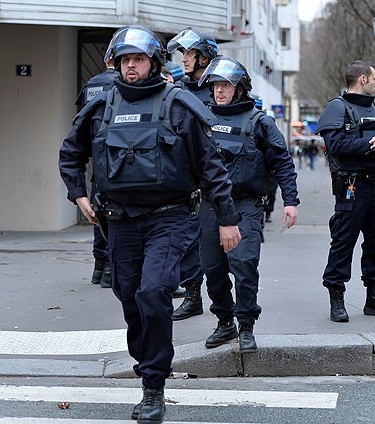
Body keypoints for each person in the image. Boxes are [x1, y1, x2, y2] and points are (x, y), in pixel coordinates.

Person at [58, 25, 241, 423]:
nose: (130, 67)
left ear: (154, 62)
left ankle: (153, 385)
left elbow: (211, 167)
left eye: (138, 59)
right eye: (124, 60)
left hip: (168, 218)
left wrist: (227, 220)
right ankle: (148, 363)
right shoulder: (101, 106)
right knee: (130, 297)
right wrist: (79, 194)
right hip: (118, 221)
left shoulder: (178, 105)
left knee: (154, 291)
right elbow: (70, 153)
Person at [197, 56, 299, 352]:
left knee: (243, 265)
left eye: (225, 85)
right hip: (210, 208)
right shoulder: (203, 119)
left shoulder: (259, 122)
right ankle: (225, 321)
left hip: (245, 206)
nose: (219, 91)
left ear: (240, 88)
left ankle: (246, 325)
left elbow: (282, 163)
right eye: (215, 85)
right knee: (212, 269)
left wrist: (290, 202)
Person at [316, 60, 375, 323]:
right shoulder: (337, 108)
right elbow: (336, 145)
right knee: (343, 242)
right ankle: (337, 299)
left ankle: (374, 299)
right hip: (350, 187)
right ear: (362, 79)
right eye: (374, 78)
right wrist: (370, 143)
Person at [166, 27, 219, 320]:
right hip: (187, 178)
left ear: (204, 56)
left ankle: (227, 302)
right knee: (188, 240)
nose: (184, 59)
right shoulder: (178, 91)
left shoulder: (222, 86)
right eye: (182, 53)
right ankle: (193, 294)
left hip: (221, 178)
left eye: (190, 53)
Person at [75, 56, 119, 288]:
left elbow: (81, 119)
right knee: (114, 215)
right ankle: (111, 270)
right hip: (119, 160)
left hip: (98, 159)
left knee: (96, 214)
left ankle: (98, 267)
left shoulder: (91, 84)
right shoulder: (121, 84)